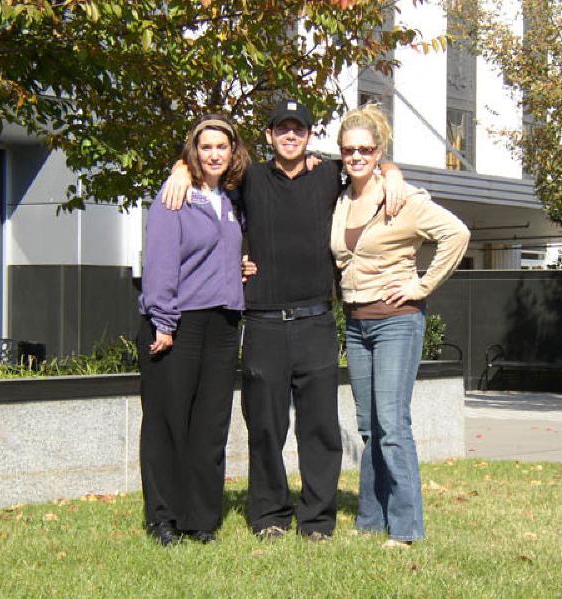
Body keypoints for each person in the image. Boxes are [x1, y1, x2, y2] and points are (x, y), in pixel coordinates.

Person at [161, 99, 407, 541]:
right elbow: (209, 174)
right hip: (264, 324)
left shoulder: (328, 175)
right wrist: (181, 168)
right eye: (282, 129)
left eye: (299, 129)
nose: (290, 136)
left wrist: (393, 173)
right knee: (265, 428)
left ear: (309, 136)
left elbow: (369, 163)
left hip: (316, 322)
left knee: (320, 429)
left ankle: (316, 521)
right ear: (269, 135)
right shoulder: (249, 179)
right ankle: (270, 516)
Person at [331, 104, 470, 548]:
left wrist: (421, 285)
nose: (356, 156)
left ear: (378, 152)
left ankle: (406, 527)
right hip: (357, 323)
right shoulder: (340, 198)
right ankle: (371, 520)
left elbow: (457, 235)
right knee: (369, 426)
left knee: (392, 425)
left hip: (397, 321)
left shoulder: (403, 198)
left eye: (365, 150)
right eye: (349, 150)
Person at [137, 114, 253, 546]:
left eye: (222, 146)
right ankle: (163, 518)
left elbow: (219, 256)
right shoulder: (175, 196)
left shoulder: (232, 202)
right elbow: (160, 262)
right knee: (168, 422)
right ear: (194, 151)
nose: (214, 154)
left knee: (210, 424)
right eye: (206, 147)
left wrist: (241, 267)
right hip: (178, 322)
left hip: (223, 323)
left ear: (233, 151)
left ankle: (201, 518)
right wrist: (163, 322)